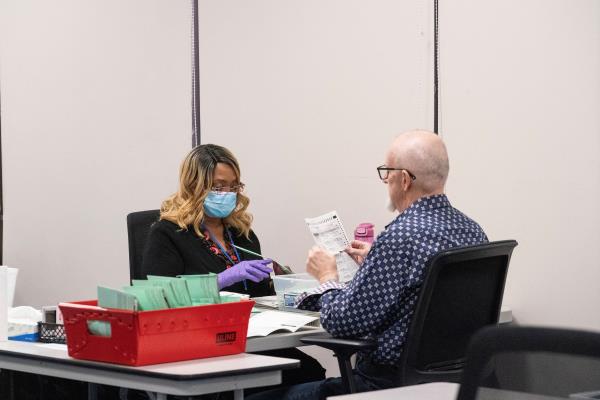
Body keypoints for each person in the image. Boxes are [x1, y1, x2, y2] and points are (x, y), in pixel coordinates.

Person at [247, 130, 489, 400]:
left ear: (405, 180)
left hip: (385, 385)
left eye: (387, 172)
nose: (385, 180)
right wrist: (377, 263)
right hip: (451, 384)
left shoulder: (401, 237)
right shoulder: (472, 231)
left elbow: (343, 323)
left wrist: (327, 276)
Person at [141, 144, 325, 394]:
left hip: (251, 339)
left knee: (308, 371)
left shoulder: (241, 234)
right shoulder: (168, 234)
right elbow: (160, 299)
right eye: (218, 187)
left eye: (234, 186)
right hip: (200, 343)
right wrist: (221, 280)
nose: (227, 193)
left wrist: (281, 281)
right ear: (195, 185)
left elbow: (259, 295)